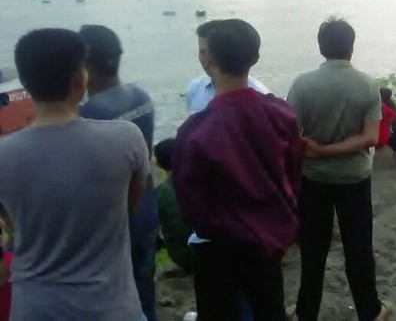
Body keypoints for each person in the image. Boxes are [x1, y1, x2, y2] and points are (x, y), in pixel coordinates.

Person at [0, 29, 150, 320]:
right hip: (113, 309)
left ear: (26, 85)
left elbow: (11, 223)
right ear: (80, 80)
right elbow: (131, 204)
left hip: (35, 310)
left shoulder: (4, 155)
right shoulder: (126, 139)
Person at [173, 19, 303, 321]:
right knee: (270, 308)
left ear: (209, 59)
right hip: (269, 238)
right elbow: (294, 175)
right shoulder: (280, 114)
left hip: (218, 246)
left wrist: (213, 227)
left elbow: (190, 202)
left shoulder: (197, 130)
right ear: (254, 58)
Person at [286, 18, 392, 321]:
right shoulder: (367, 84)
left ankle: (306, 312)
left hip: (313, 179)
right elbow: (371, 137)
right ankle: (369, 310)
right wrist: (332, 150)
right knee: (358, 248)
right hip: (355, 179)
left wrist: (318, 151)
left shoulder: (302, 84)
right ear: (351, 47)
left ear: (321, 48)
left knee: (313, 250)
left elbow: (291, 135)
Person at [77, 25, 159, 321]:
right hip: (147, 212)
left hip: (115, 225)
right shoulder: (141, 96)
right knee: (145, 294)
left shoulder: (89, 116)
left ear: (83, 66)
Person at [185, 20, 270, 116]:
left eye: (208, 53)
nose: (205, 59)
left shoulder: (261, 94)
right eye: (202, 52)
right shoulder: (195, 88)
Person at [153, 138, 193, 272]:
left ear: (158, 164)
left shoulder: (159, 194)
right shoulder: (203, 179)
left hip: (184, 256)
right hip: (213, 249)